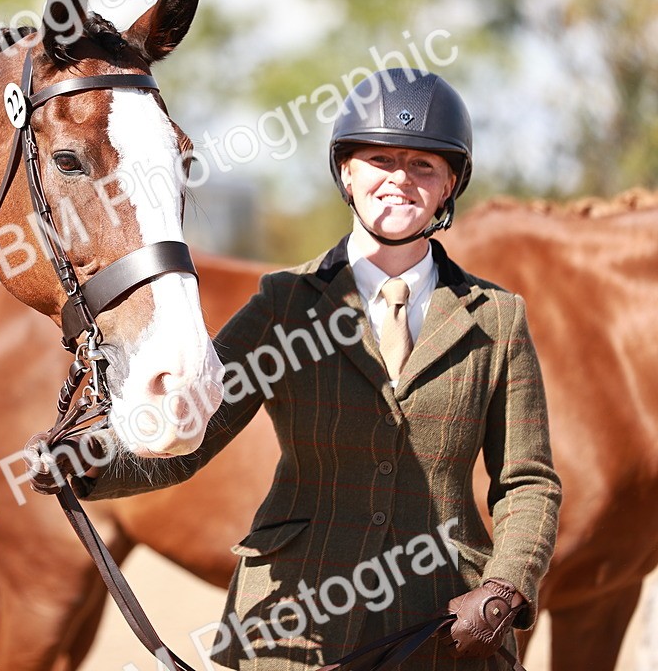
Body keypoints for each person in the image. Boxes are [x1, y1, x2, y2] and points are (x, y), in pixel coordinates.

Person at [29, 68, 562, 670]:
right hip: (295, 622)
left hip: (443, 626)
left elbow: (528, 480)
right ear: (347, 173)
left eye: (423, 166)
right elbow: (194, 428)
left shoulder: (497, 319)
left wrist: (506, 586)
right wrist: (91, 460)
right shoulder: (285, 304)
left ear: (450, 185)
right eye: (380, 160)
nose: (399, 180)